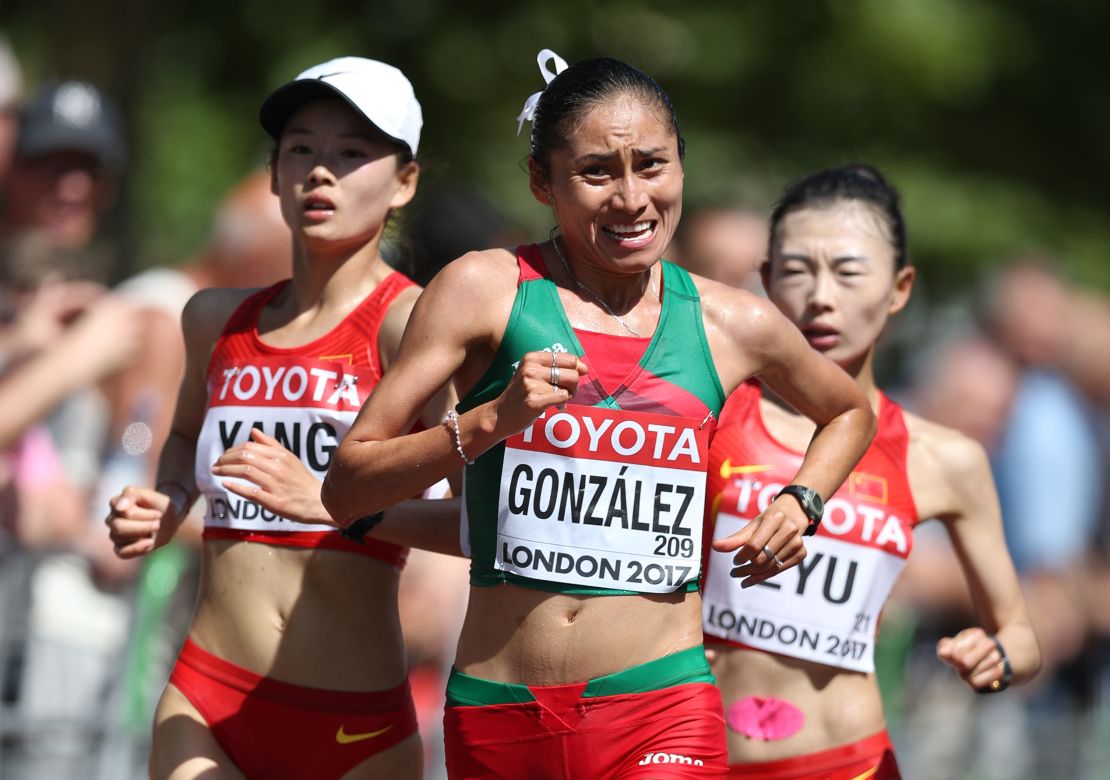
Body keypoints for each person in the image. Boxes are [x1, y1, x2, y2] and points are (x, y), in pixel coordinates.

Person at [318, 50, 875, 779]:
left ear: (681, 166)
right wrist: (490, 423)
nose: (631, 198)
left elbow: (848, 411)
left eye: (652, 165)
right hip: (498, 706)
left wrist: (803, 501)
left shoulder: (732, 322)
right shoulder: (482, 290)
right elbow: (347, 487)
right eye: (596, 173)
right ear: (541, 182)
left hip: (660, 703)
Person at [104, 56, 456, 779]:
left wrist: (337, 506)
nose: (320, 172)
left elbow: (482, 523)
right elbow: (174, 436)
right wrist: (170, 499)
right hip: (207, 699)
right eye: (301, 148)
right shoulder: (213, 320)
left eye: (352, 153)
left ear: (405, 181)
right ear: (273, 174)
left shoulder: (414, 326)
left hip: (355, 727)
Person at [700, 164, 1041, 779]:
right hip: (695, 755)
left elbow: (1020, 635)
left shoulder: (945, 458)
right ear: (767, 279)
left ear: (899, 288)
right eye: (798, 270)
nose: (821, 296)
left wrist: (994, 658)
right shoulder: (706, 413)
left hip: (850, 763)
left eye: (849, 271)